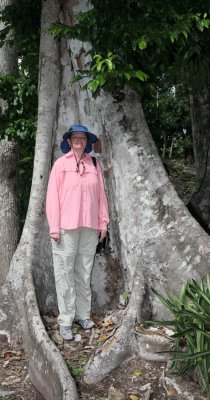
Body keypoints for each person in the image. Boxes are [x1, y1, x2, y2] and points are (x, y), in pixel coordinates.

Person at [46, 124, 109, 341]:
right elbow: (52, 198)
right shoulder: (60, 165)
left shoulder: (93, 164)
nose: (79, 140)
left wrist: (103, 223)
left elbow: (101, 195)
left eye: (83, 137)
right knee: (64, 274)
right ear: (70, 141)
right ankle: (65, 320)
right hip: (65, 228)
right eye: (75, 137)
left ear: (87, 141)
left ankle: (83, 315)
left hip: (89, 227)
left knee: (84, 272)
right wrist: (54, 227)